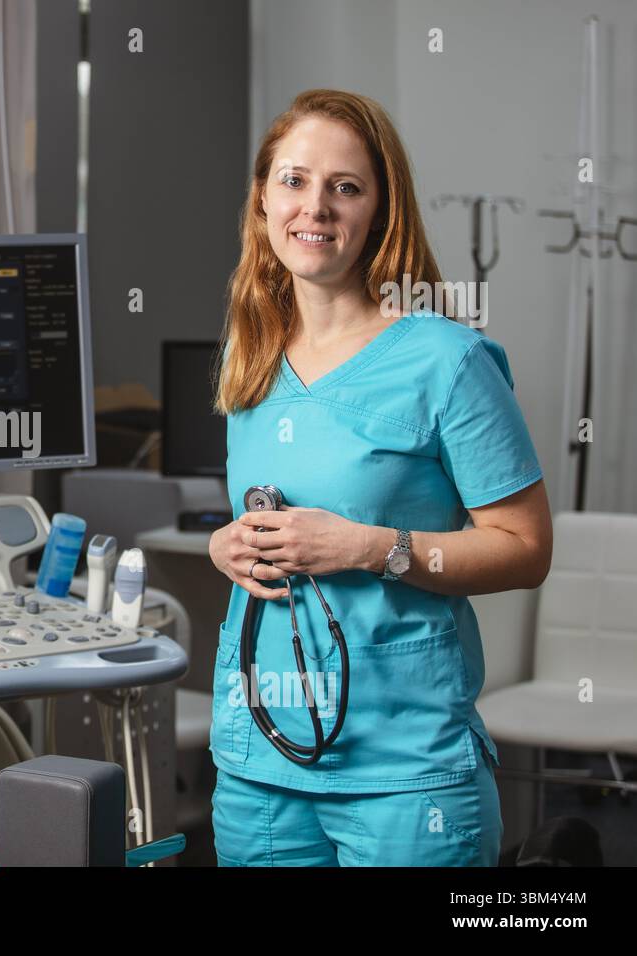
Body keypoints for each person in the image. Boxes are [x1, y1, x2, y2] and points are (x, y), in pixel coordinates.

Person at [206, 89, 553, 866]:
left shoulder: (447, 360)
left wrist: (369, 547)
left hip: (404, 773)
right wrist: (223, 548)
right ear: (264, 197)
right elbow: (261, 521)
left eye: (346, 187)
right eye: (294, 181)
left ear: (379, 210)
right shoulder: (249, 352)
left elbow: (526, 549)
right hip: (260, 760)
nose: (315, 207)